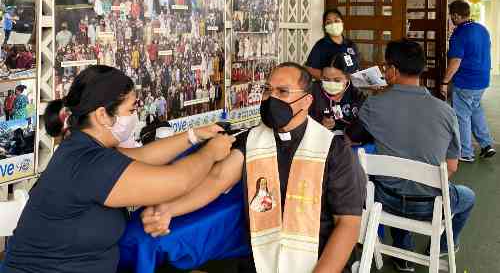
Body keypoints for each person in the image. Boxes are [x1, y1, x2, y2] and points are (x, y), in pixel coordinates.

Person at [1, 65, 235, 273]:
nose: (135, 117)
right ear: (102, 114)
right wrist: (211, 152)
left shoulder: (84, 146)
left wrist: (194, 135)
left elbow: (144, 156)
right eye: (131, 111)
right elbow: (180, 181)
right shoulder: (89, 163)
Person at [142, 62, 367, 273]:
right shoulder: (253, 139)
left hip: (318, 258)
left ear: (307, 101)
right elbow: (217, 179)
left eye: (283, 92)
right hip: (261, 258)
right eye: (268, 90)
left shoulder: (333, 149)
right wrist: (169, 210)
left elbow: (347, 224)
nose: (272, 98)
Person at [347, 40, 475, 272]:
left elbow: (352, 138)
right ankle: (444, 245)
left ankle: (401, 249)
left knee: (389, 180)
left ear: (393, 71)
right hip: (429, 206)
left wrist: (379, 95)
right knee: (467, 197)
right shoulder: (446, 111)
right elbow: (452, 166)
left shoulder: (374, 104)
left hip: (384, 201)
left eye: (386, 67)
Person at [441, 0, 496, 162]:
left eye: (451, 15)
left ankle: (465, 152)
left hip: (466, 81)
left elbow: (455, 61)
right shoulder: (482, 29)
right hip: (482, 80)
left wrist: (445, 82)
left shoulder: (460, 34)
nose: (450, 18)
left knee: (462, 115)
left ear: (457, 15)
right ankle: (486, 144)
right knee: (476, 110)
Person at [309, 53, 366, 134]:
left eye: (337, 80)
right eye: (326, 79)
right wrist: (319, 122)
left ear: (347, 77)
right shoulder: (312, 91)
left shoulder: (356, 95)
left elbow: (364, 124)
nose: (331, 83)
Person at [305, 8, 359, 80]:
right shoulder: (321, 45)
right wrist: (328, 79)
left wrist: (367, 82)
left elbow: (356, 68)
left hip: (350, 87)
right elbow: (309, 69)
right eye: (328, 22)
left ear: (342, 23)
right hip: (331, 88)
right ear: (325, 26)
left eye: (336, 21)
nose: (333, 24)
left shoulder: (351, 44)